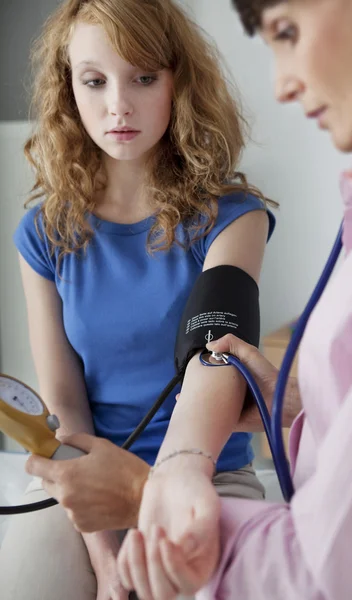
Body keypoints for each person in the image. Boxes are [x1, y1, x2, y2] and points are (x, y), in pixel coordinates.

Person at [102, 0, 352, 598]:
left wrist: (146, 492)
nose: (282, 85)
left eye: (287, 32)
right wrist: (291, 407)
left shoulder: (236, 216)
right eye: (92, 80)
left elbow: (337, 577)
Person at [0, 1, 278, 599]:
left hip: (205, 473)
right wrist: (105, 558)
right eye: (94, 81)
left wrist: (163, 492)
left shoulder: (233, 218)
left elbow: (217, 359)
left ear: (180, 82)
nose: (118, 105)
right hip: (84, 474)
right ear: (67, 88)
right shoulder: (42, 234)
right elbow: (64, 402)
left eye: (144, 77)